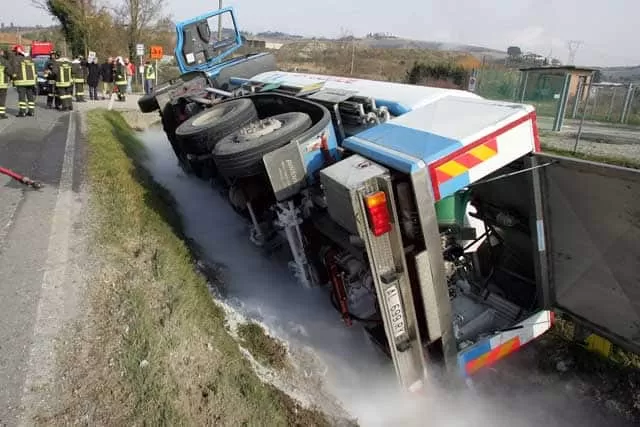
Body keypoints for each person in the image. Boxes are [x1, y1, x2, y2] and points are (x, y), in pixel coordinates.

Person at [9, 45, 37, 117]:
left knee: (22, 97)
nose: (14, 53)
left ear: (17, 52)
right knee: (30, 96)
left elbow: (14, 70)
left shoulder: (16, 59)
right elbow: (35, 70)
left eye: (14, 52)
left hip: (21, 82)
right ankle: (31, 112)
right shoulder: (30, 59)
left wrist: (12, 78)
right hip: (31, 81)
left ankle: (22, 112)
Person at [0, 49, 9, 119]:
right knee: (2, 99)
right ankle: (1, 114)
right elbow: (9, 71)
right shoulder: (4, 61)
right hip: (2, 84)